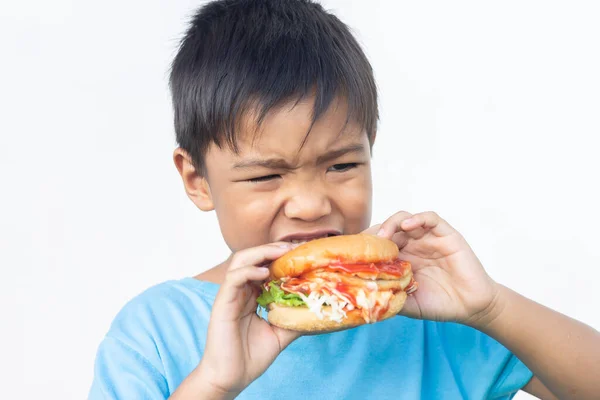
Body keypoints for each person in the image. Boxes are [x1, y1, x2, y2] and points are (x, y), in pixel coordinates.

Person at [89, 0, 600, 399]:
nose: (310, 204)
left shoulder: (432, 316)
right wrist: (214, 384)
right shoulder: (156, 330)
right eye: (266, 176)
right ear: (197, 180)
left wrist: (492, 308)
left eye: (342, 165)